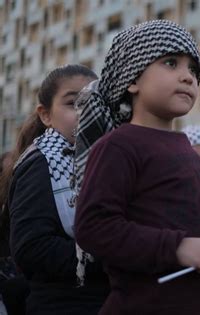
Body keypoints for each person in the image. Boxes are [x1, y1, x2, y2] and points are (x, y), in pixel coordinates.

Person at [72, 20, 200, 315]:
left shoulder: (191, 155)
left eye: (193, 69)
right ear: (133, 79)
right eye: (171, 63)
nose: (188, 77)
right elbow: (93, 227)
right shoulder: (119, 146)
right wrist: (175, 248)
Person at [3, 65, 109, 315]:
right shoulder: (40, 163)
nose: (86, 111)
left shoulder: (106, 159)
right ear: (46, 115)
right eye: (73, 103)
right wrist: (112, 257)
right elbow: (32, 248)